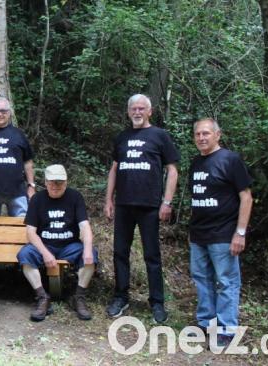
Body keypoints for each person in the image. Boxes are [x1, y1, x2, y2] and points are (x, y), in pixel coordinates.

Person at [104, 94, 179, 323]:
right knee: (120, 253)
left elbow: (173, 170)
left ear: (149, 111)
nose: (137, 112)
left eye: (141, 108)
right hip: (124, 204)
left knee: (152, 256)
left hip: (149, 206)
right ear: (128, 112)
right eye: (133, 109)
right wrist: (109, 199)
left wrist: (167, 202)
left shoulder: (160, 136)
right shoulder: (122, 137)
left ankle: (157, 303)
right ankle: (121, 296)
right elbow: (114, 169)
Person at [188, 118, 253, 347]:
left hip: (224, 234)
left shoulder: (230, 160)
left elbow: (246, 196)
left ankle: (226, 329)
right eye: (197, 134)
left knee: (226, 281)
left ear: (217, 135)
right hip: (199, 234)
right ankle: (206, 323)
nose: (201, 138)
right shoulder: (196, 162)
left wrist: (240, 233)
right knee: (202, 279)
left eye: (206, 133)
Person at [16, 164, 99, 321]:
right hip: (45, 244)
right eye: (52, 182)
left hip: (69, 246)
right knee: (25, 254)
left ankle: (79, 297)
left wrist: (87, 250)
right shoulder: (37, 199)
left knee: (91, 255)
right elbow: (30, 233)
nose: (55, 186)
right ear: (46, 182)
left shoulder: (75, 197)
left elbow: (85, 226)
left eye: (59, 182)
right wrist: (45, 253)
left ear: (66, 182)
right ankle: (42, 297)